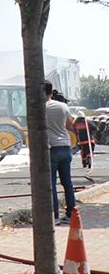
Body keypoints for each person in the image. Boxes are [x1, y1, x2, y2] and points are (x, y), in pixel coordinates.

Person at [45, 81, 76, 225]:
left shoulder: (40, 108)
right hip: (65, 147)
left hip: (51, 149)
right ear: (52, 92)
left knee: (51, 185)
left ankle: (54, 217)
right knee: (67, 183)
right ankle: (71, 214)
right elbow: (69, 125)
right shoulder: (63, 106)